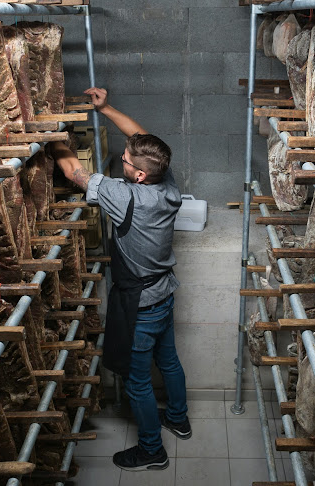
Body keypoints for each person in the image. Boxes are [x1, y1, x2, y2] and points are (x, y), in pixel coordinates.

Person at [49, 87, 191, 472]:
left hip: (140, 303)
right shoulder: (167, 183)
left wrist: (56, 139)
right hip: (164, 292)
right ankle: (177, 418)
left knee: (138, 382)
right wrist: (107, 108)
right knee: (170, 360)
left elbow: (74, 172)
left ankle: (151, 450)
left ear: (138, 174)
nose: (122, 160)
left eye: (126, 161)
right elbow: (141, 139)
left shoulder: (124, 195)